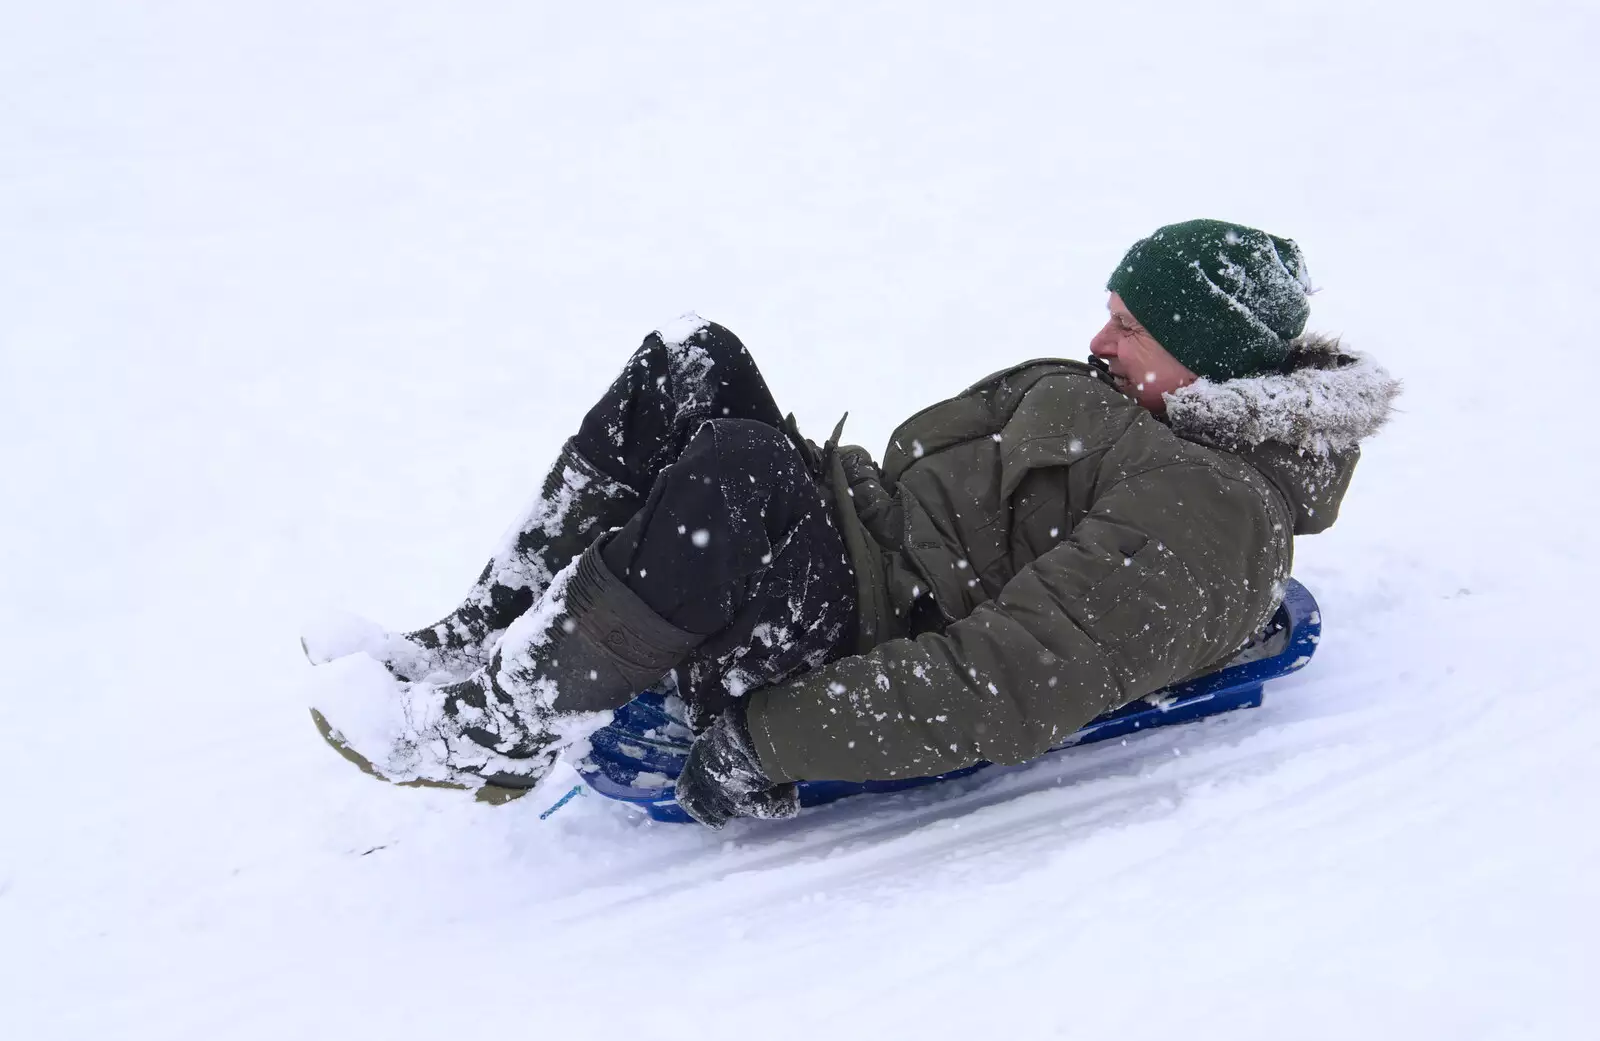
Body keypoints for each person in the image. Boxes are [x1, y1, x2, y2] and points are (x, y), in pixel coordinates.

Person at [307, 218, 1399, 827]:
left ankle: (487, 731)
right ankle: (478, 634)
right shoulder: (1134, 407)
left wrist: (766, 741)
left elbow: (1011, 679)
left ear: (1203, 353)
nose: (1098, 338)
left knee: (735, 471)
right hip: (856, 541)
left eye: (1129, 326)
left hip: (868, 628)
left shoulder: (1208, 511)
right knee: (693, 360)